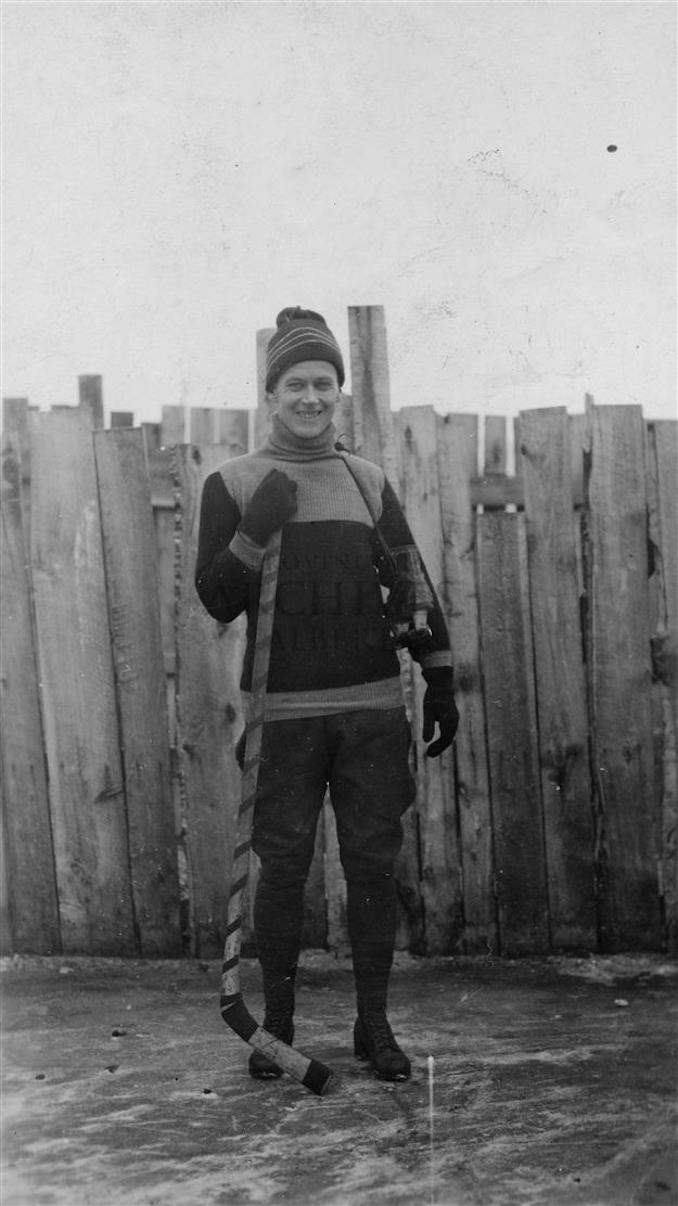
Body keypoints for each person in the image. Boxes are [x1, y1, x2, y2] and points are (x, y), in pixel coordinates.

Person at [195, 307, 458, 1082]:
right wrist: (256, 529)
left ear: (338, 394)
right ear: (271, 393)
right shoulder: (235, 483)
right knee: (283, 870)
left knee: (373, 869)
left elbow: (411, 579)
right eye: (296, 384)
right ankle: (276, 1024)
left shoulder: (365, 479)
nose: (311, 397)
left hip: (372, 710)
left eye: (324, 384)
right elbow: (216, 597)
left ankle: (373, 1024)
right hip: (284, 719)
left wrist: (440, 677)